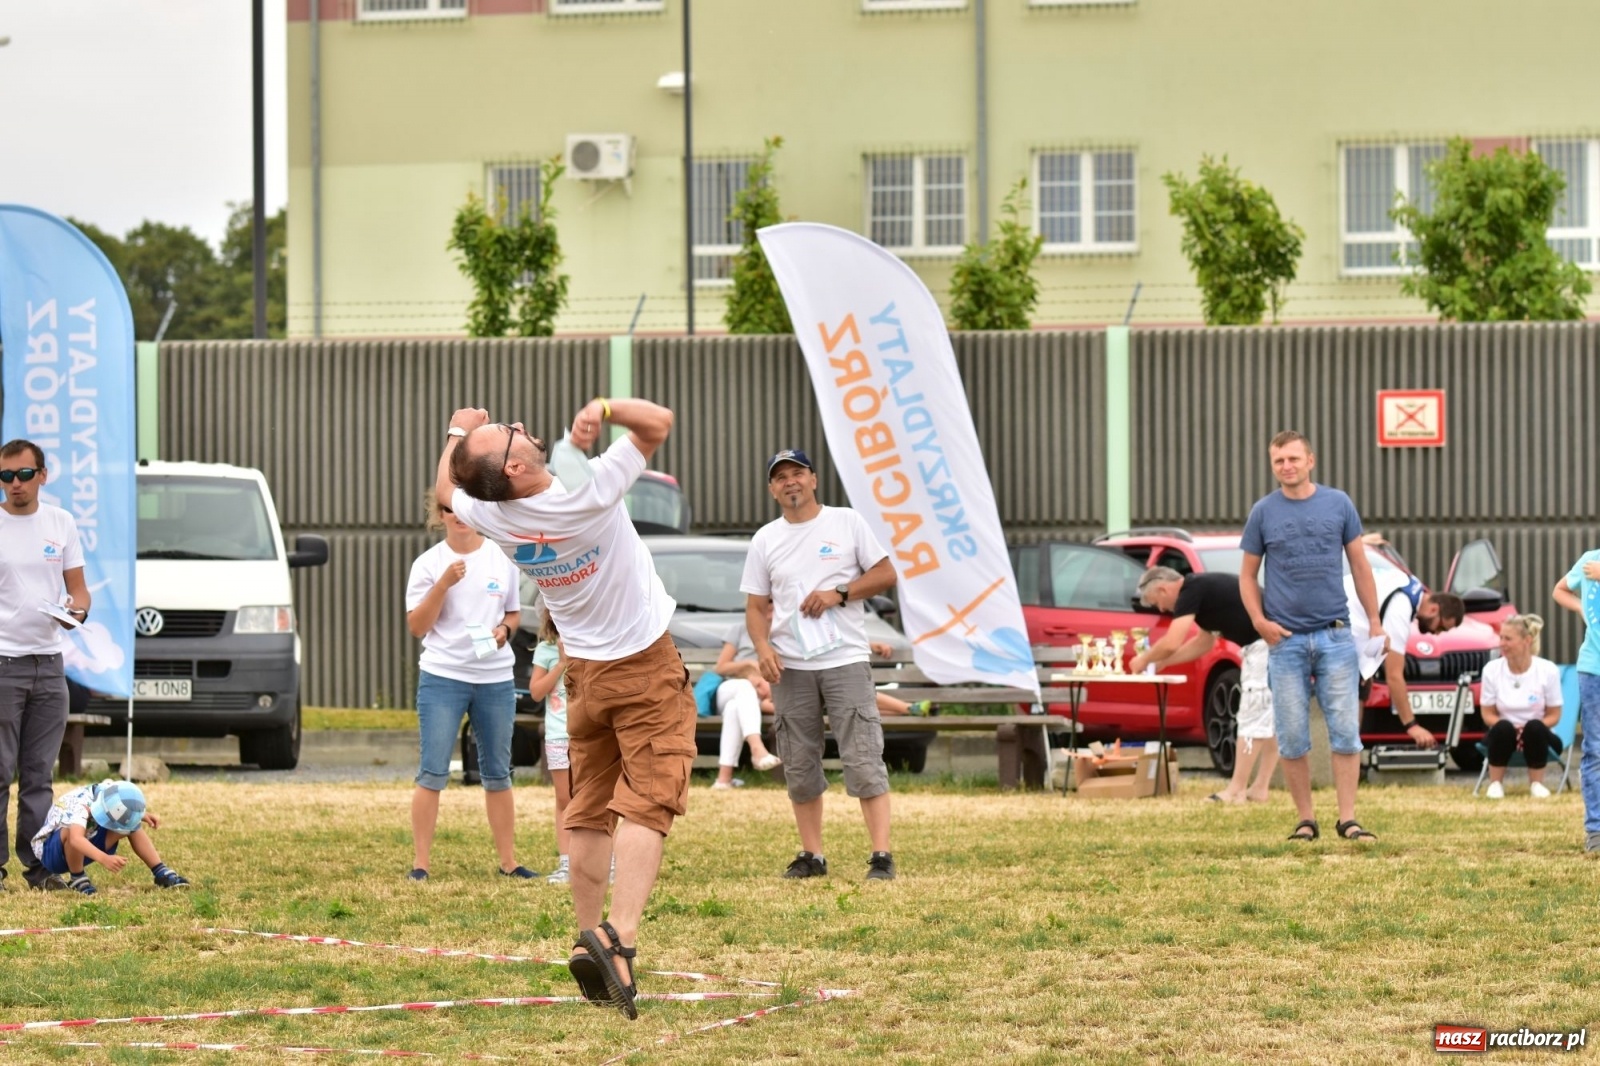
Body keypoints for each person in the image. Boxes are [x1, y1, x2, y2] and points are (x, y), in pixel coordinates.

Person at [437, 397, 688, 1020]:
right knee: (652, 801)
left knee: (588, 807)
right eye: (510, 432)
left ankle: (586, 934)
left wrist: (457, 432)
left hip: (582, 676)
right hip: (643, 668)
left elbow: (448, 487)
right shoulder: (590, 496)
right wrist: (604, 406)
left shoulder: (494, 513)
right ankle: (619, 941)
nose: (521, 426)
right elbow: (657, 422)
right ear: (516, 468)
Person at [741, 448, 900, 881]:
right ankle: (813, 856)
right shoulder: (765, 540)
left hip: (844, 658)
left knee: (863, 755)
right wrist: (763, 648)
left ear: (813, 480)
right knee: (798, 760)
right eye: (780, 477)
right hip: (790, 666)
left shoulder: (846, 522)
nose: (790, 481)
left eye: (797, 473)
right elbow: (755, 607)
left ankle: (881, 856)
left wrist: (840, 593)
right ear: (772, 490)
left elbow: (886, 573)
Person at [1238, 431, 1383, 844]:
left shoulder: (1338, 504)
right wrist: (1259, 622)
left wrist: (1374, 621)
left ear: (1310, 460)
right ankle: (1306, 820)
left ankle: (1349, 820)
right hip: (1285, 642)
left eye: (1293, 458)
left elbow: (1360, 564)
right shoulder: (1263, 512)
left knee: (1345, 732)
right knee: (1292, 735)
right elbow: (1247, 576)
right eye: (1279, 460)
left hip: (1336, 636)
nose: (1286, 466)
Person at [404, 496, 532, 882]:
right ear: (439, 516)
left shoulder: (501, 558)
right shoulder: (427, 564)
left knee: (498, 773)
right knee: (432, 772)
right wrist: (443, 585)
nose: (458, 516)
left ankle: (508, 862)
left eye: (465, 509)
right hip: (442, 676)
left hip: (494, 678)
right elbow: (417, 626)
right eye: (449, 510)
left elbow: (513, 612)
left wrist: (505, 631)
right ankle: (421, 864)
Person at [0, 439, 91, 893]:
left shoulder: (61, 522)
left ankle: (39, 869)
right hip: (3, 663)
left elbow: (79, 589)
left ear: (42, 474)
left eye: (22, 475)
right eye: (5, 476)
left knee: (39, 775)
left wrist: (75, 613)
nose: (14, 485)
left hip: (50, 665)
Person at [1131, 567, 1277, 804]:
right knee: (1268, 719)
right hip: (1271, 645)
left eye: (1157, 602)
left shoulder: (1192, 589)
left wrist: (1145, 658)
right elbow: (1203, 643)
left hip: (1263, 646)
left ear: (1163, 588)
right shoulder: (1202, 590)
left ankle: (1236, 790)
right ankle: (1259, 788)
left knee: (1252, 715)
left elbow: (1172, 641)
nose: (1161, 609)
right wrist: (1164, 662)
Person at [1344, 553, 1466, 749]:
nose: (1436, 634)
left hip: (1349, 625)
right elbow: (1394, 676)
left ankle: (1351, 757)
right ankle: (1348, 754)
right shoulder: (1401, 607)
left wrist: (1368, 667)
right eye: (1441, 627)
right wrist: (1412, 725)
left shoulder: (1412, 586)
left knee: (1362, 683)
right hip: (1334, 625)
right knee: (1354, 690)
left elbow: (1376, 623)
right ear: (1434, 610)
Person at [30, 779, 189, 895]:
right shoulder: (79, 806)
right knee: (72, 830)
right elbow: (75, 840)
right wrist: (104, 858)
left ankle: (160, 872)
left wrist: (138, 815)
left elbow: (119, 808)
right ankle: (78, 878)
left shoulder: (107, 789)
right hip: (52, 854)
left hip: (84, 842)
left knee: (129, 825)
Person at [1478, 614, 1563, 800]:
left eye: (1508, 638)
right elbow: (1487, 714)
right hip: (1503, 734)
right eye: (1500, 637)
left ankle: (1537, 784)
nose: (1502, 643)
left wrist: (1526, 729)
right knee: (1502, 727)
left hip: (1539, 734)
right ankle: (1495, 784)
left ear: (1527, 640)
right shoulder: (1491, 670)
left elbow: (1554, 715)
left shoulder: (1548, 670)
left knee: (1534, 727)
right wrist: (1515, 729)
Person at [1552, 552, 1600, 850]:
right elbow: (1560, 590)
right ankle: (1595, 830)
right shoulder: (1590, 560)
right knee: (1595, 749)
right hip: (1592, 668)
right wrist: (1583, 608)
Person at [527, 611, 574, 882]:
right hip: (558, 736)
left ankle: (608, 862)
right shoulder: (545, 650)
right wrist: (561, 664)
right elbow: (536, 691)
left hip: (588, 736)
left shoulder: (592, 646)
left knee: (596, 798)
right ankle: (567, 863)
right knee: (564, 800)